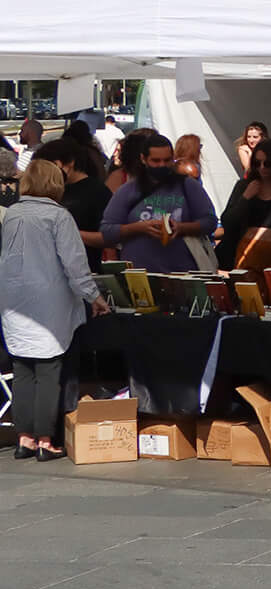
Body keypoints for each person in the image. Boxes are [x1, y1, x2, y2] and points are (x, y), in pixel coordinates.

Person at [1, 160, 108, 461]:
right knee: (49, 370)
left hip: (14, 302)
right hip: (48, 302)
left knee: (22, 369)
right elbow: (75, 263)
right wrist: (94, 296)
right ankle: (46, 439)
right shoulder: (58, 216)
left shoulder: (13, 214)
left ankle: (24, 437)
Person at [100, 131, 220, 273]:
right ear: (143, 159)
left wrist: (181, 228)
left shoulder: (187, 185)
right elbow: (107, 230)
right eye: (156, 161)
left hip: (183, 273)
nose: (162, 165)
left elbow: (210, 221)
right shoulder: (128, 190)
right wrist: (139, 228)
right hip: (141, 274)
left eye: (167, 160)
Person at [214, 139, 271, 270]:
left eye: (268, 163)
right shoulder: (244, 186)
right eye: (257, 163)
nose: (262, 167)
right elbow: (227, 220)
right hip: (245, 253)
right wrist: (245, 197)